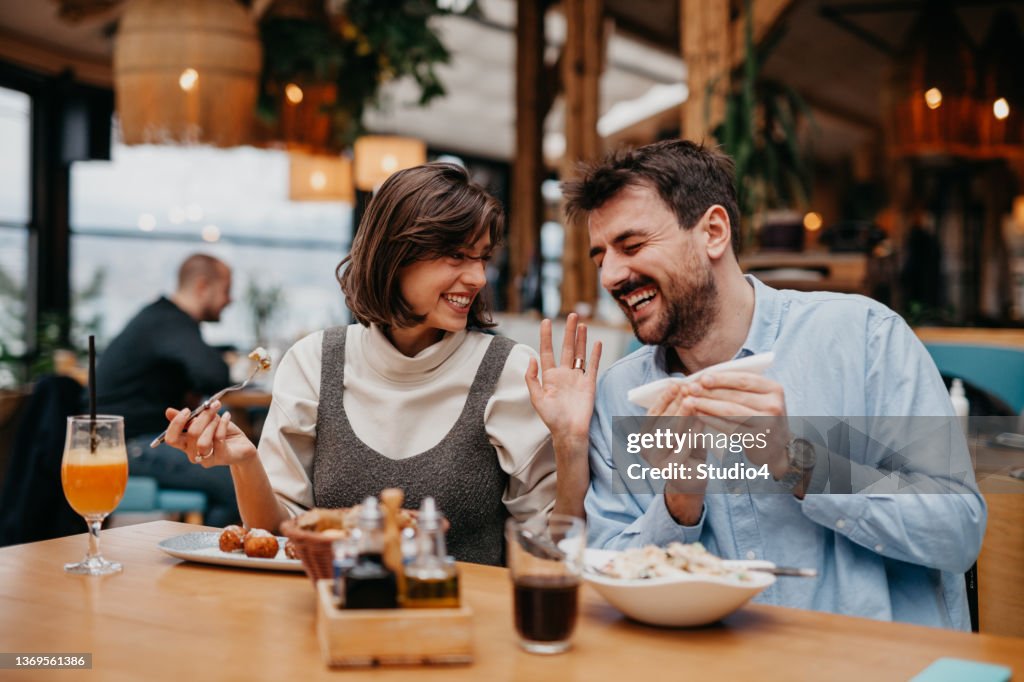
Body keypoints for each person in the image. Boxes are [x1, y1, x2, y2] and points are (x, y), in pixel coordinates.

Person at [526, 139, 986, 629]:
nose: (612, 275)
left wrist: (798, 462)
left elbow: (958, 529)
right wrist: (678, 504)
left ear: (714, 232)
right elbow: (606, 565)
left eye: (632, 246)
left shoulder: (864, 337)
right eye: (600, 258)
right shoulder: (620, 396)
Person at [162, 163, 593, 566]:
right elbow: (277, 538)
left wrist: (571, 444)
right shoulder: (315, 362)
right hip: (330, 618)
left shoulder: (512, 371)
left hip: (463, 624)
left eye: (481, 257)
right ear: (395, 256)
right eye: (457, 256)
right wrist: (245, 462)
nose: (479, 278)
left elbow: (552, 547)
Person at [96, 253, 240, 527]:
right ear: (201, 286)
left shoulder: (160, 319)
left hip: (132, 440)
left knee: (235, 469)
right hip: (129, 446)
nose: (230, 300)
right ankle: (211, 561)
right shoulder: (170, 322)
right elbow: (214, 374)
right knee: (236, 481)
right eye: (226, 290)